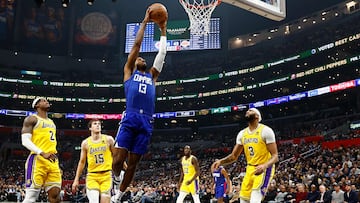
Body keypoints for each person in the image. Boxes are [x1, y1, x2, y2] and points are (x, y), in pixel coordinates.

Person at [111, 6, 167, 203]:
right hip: (130, 117)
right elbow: (136, 45)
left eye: (143, 58)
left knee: (133, 164)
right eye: (139, 58)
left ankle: (118, 197)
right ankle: (115, 180)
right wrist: (144, 23)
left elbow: (162, 55)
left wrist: (163, 30)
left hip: (146, 122)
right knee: (118, 160)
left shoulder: (152, 76)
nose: (142, 58)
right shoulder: (129, 71)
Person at [212, 108, 279, 203]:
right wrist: (221, 161)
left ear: (257, 116)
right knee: (243, 199)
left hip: (264, 168)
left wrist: (264, 166)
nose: (248, 111)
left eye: (251, 111)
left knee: (255, 199)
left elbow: (275, 156)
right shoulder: (242, 134)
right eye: (247, 111)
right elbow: (233, 156)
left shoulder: (266, 131)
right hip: (250, 169)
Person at [21, 97, 61, 203]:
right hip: (37, 160)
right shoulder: (31, 119)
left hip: (52, 161)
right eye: (43, 100)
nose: (46, 101)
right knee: (31, 196)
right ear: (36, 105)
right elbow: (25, 141)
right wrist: (42, 153)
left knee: (56, 195)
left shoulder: (52, 122)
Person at [72, 119, 115, 203]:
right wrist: (76, 179)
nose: (98, 125)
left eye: (99, 124)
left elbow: (116, 156)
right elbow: (82, 162)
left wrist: (125, 168)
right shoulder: (85, 143)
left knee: (105, 200)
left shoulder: (109, 139)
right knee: (93, 200)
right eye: (95, 124)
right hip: (92, 176)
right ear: (90, 128)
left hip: (106, 175)